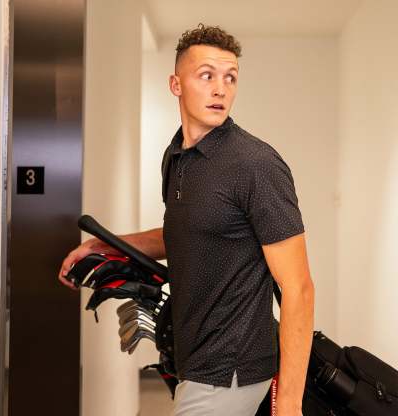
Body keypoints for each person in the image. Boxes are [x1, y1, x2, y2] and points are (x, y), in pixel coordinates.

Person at [59, 23, 314, 416]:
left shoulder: (255, 165)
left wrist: (291, 405)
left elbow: (298, 287)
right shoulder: (176, 157)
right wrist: (106, 245)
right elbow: (185, 234)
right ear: (176, 85)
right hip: (192, 359)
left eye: (230, 77)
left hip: (230, 369)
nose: (220, 89)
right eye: (206, 75)